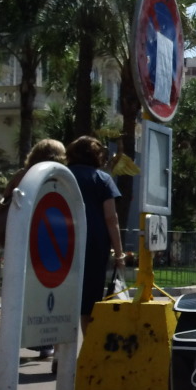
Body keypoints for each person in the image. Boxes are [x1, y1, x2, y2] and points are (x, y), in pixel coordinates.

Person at [0, 138, 67, 360]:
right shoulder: (56, 178)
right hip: (45, 243)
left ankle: (5, 336)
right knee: (44, 291)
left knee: (16, 291)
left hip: (19, 242)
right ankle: (44, 343)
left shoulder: (21, 176)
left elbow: (6, 200)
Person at [66, 136, 124, 334]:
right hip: (94, 244)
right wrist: (119, 253)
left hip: (64, 241)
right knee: (90, 299)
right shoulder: (102, 179)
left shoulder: (62, 175)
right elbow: (111, 218)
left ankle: (59, 354)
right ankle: (87, 348)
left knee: (64, 295)